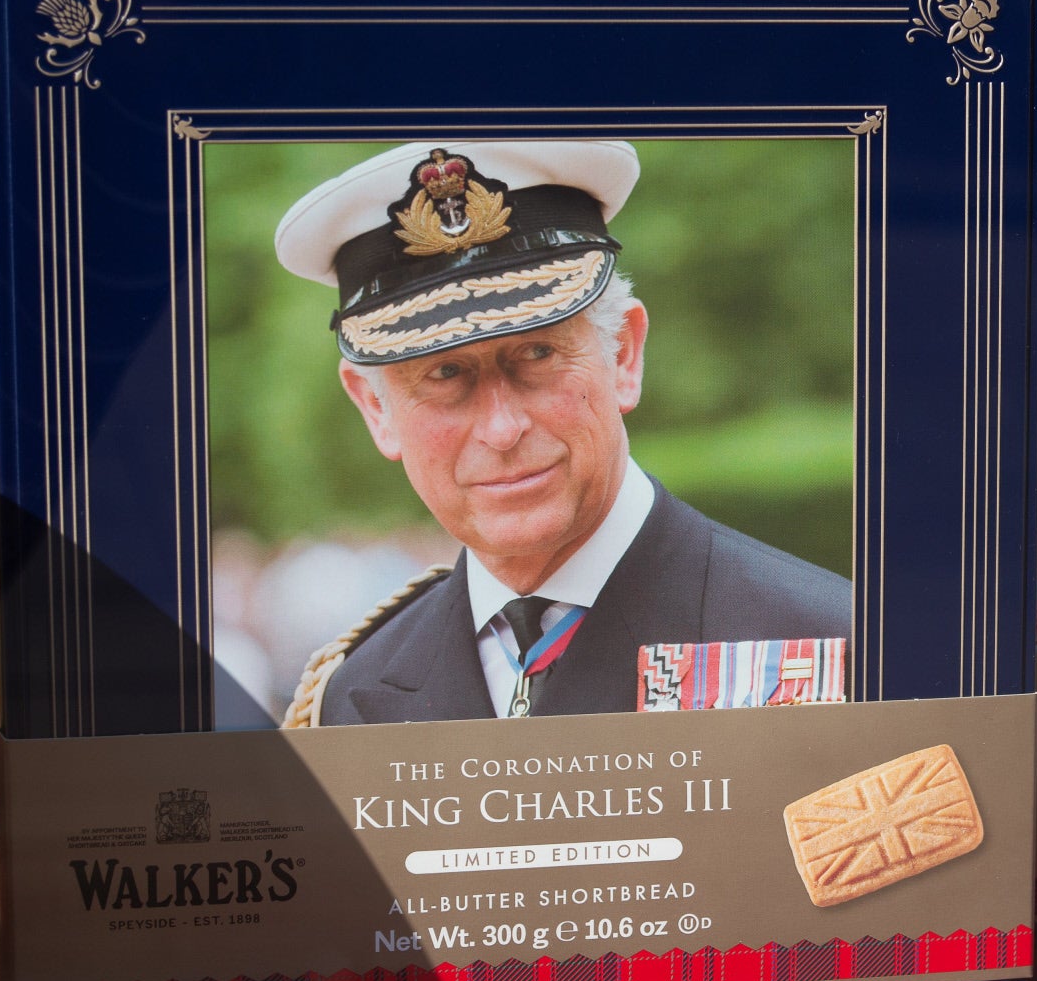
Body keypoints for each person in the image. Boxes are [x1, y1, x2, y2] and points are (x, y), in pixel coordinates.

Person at [272, 140, 851, 726]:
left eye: (538, 353)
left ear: (622, 354)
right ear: (375, 407)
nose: (502, 429)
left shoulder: (831, 648)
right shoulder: (351, 698)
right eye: (446, 374)